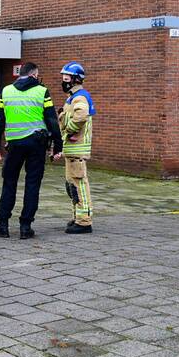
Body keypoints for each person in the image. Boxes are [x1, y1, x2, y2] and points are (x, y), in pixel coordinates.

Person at [0, 62, 62, 239]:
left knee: (9, 183)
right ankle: (25, 227)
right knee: (32, 184)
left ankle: (3, 225)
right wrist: (57, 146)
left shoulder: (6, 91)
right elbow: (52, 119)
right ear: (34, 75)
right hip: (37, 144)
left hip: (14, 145)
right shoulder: (41, 91)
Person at [56, 62, 96, 234]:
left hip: (76, 150)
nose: (64, 81)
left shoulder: (79, 97)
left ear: (75, 79)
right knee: (72, 186)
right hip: (72, 151)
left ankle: (84, 222)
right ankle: (78, 218)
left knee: (79, 185)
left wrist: (68, 129)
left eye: (66, 78)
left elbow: (80, 117)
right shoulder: (74, 96)